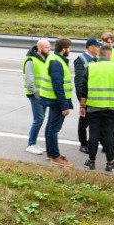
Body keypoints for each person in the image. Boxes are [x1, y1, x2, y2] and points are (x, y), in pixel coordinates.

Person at [80, 44, 114, 171]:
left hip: (93, 108)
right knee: (109, 135)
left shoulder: (90, 67)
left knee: (93, 134)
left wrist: (82, 105)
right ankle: (110, 163)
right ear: (109, 55)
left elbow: (83, 89)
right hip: (111, 108)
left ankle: (91, 161)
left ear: (99, 55)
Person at [41, 37, 73, 167]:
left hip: (51, 99)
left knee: (50, 126)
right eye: (69, 48)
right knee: (53, 128)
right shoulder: (57, 62)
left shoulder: (53, 58)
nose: (70, 50)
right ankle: (55, 156)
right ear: (64, 49)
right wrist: (64, 105)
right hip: (57, 100)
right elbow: (58, 86)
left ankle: (50, 153)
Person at [23, 38, 51, 154]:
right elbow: (29, 81)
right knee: (38, 119)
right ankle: (30, 144)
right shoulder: (31, 60)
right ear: (39, 48)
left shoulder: (44, 59)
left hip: (42, 95)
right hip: (35, 95)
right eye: (47, 48)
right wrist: (36, 93)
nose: (50, 50)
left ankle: (34, 143)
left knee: (40, 118)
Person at [73, 38, 101, 154]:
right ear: (90, 47)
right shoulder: (81, 60)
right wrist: (82, 101)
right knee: (84, 121)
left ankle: (91, 142)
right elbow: (79, 82)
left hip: (95, 96)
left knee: (95, 121)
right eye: (97, 46)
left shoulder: (97, 59)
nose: (99, 48)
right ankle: (83, 144)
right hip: (86, 97)